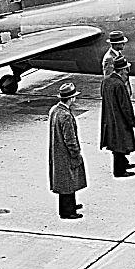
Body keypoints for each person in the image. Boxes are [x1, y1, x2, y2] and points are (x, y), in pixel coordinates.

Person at [48, 82, 86, 219]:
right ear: (71, 98)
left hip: (57, 152)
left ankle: (70, 204)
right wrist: (76, 153)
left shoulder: (54, 110)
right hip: (65, 153)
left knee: (65, 180)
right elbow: (70, 139)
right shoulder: (66, 116)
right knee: (68, 181)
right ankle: (67, 211)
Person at [100, 55, 135, 177]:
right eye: (126, 69)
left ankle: (124, 163)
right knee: (119, 146)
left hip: (109, 118)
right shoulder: (119, 85)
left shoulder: (106, 81)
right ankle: (119, 171)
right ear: (122, 70)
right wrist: (131, 121)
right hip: (120, 120)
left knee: (116, 143)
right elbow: (125, 106)